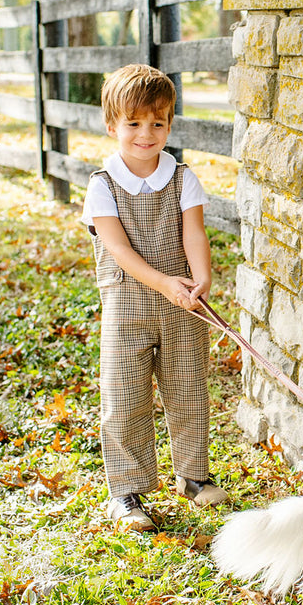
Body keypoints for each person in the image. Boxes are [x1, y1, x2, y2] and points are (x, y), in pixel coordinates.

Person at [82, 63, 228, 532]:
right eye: (134, 123)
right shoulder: (101, 186)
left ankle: (193, 476)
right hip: (128, 306)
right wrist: (164, 282)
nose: (147, 133)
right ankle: (127, 492)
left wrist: (200, 278)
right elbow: (119, 250)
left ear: (169, 124)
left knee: (188, 391)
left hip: (183, 305)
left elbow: (194, 233)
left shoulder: (183, 178)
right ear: (112, 125)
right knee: (125, 398)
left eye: (158, 122)